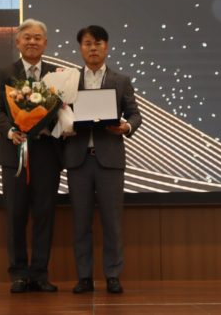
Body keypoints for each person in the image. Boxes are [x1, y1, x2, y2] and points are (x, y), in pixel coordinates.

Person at [64, 25, 142, 295]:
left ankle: (113, 275)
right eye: (87, 43)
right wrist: (64, 124)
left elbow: (135, 115)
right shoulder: (69, 80)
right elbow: (58, 112)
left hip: (109, 161)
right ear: (80, 48)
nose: (93, 48)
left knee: (112, 221)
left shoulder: (121, 81)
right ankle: (84, 277)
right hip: (78, 160)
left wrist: (126, 127)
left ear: (106, 47)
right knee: (80, 222)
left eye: (98, 43)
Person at [0, 19, 63, 293]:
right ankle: (18, 274)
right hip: (15, 155)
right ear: (18, 42)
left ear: (46, 43)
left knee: (45, 216)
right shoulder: (5, 73)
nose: (32, 42)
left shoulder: (57, 75)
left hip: (47, 156)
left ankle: (40, 274)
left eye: (38, 37)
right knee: (15, 216)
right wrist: (11, 132)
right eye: (27, 37)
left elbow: (65, 111)